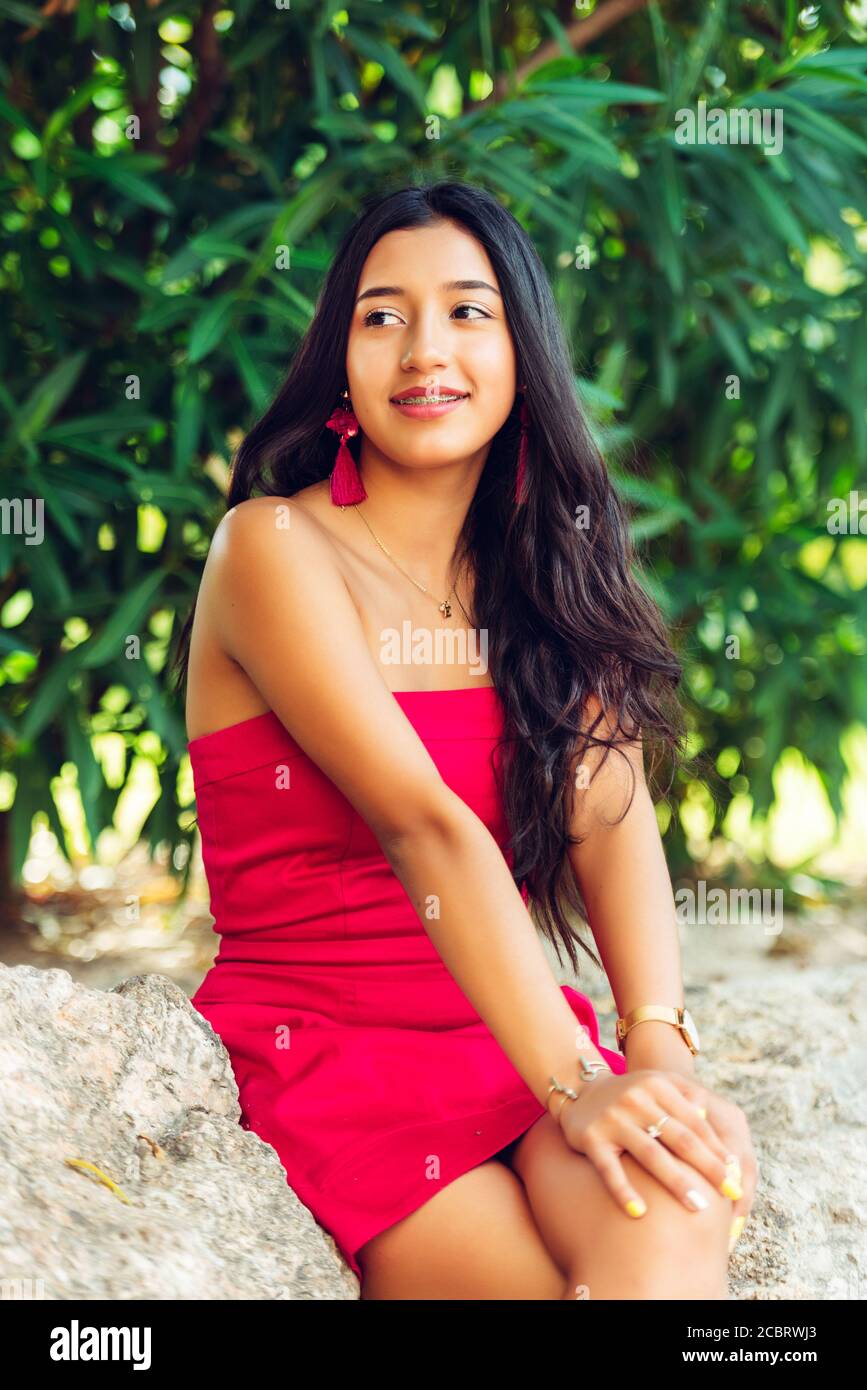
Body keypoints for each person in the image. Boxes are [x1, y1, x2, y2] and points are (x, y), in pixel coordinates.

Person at [171, 180, 757, 1300]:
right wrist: (580, 1082)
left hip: (512, 1029)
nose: (422, 350)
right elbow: (423, 821)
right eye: (382, 315)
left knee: (676, 1206)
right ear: (340, 358)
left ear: (523, 352)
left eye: (467, 312)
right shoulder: (272, 547)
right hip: (330, 1044)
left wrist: (656, 1053)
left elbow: (610, 813)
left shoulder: (541, 569)